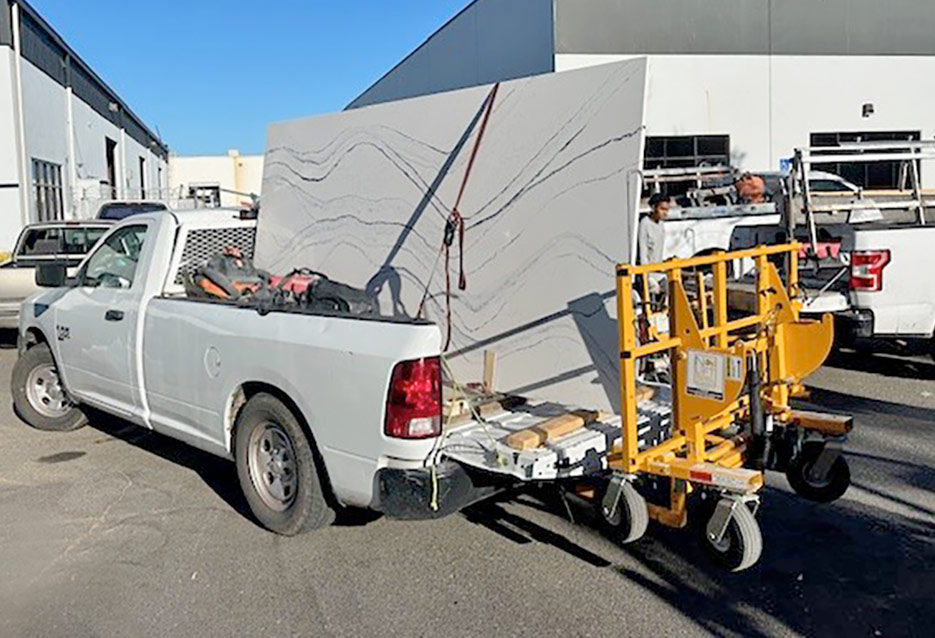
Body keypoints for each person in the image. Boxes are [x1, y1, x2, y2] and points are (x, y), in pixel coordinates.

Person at [638, 193, 670, 296]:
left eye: (667, 210)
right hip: (648, 274)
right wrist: (647, 276)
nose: (665, 213)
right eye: (662, 209)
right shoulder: (644, 223)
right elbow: (643, 251)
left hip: (659, 271)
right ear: (653, 207)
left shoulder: (661, 225)